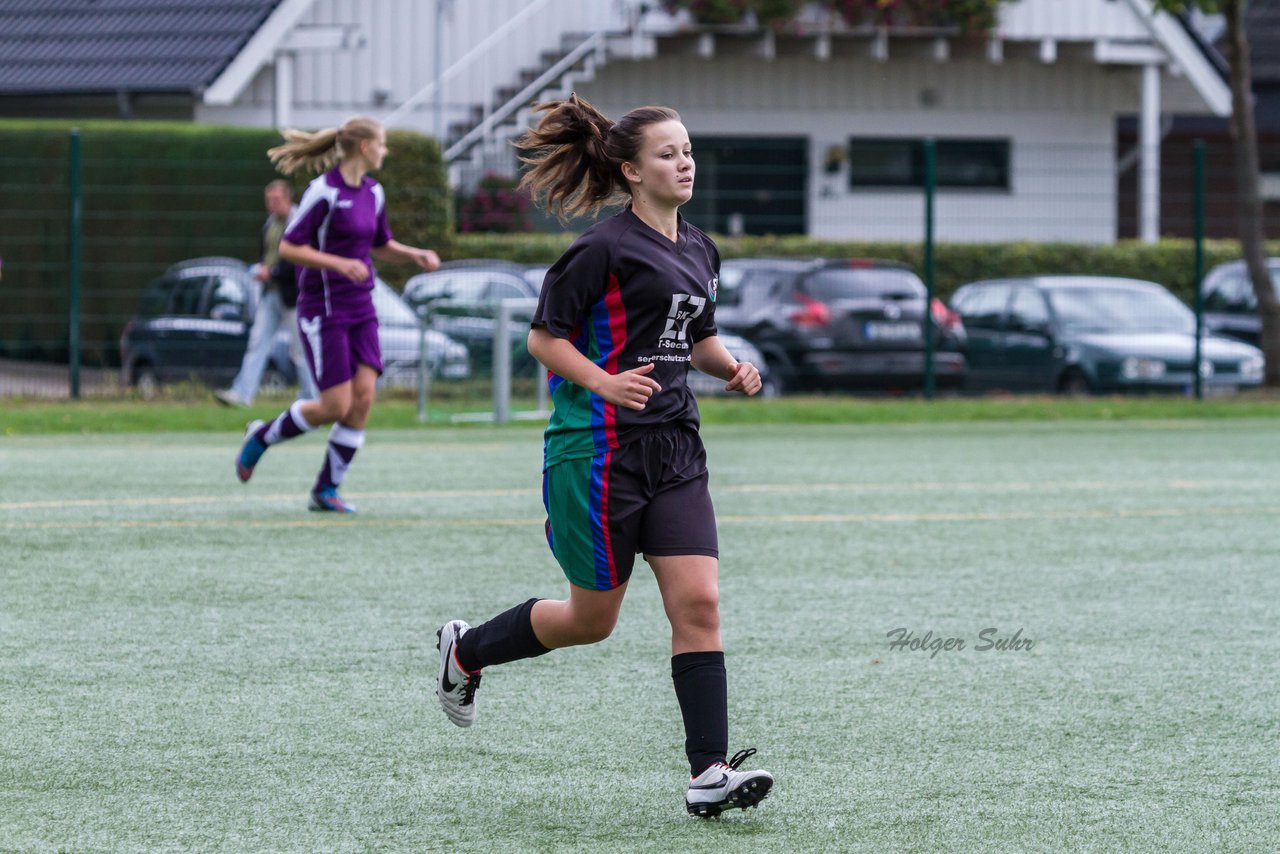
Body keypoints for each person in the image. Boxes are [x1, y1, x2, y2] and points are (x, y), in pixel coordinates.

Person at [434, 95, 773, 818]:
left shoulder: (699, 247)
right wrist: (602, 381)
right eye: (666, 153)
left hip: (676, 446)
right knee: (593, 620)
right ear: (629, 169)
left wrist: (733, 367)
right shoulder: (602, 249)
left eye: (687, 151)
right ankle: (466, 653)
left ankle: (707, 770)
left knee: (700, 603)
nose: (683, 163)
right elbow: (544, 338)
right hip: (596, 452)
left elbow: (697, 336)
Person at [234, 116, 439, 513]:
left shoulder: (373, 192)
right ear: (364, 146)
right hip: (324, 310)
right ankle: (260, 436)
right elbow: (291, 248)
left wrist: (412, 254)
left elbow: (380, 243)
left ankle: (326, 488)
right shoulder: (322, 192)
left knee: (362, 400)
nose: (385, 150)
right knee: (334, 406)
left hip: (361, 306)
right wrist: (338, 264)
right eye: (382, 143)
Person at [215, 180, 318, 407]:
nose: (271, 204)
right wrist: (264, 271)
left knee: (300, 349)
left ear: (288, 198)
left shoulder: (299, 221)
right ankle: (242, 394)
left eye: (276, 199)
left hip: (295, 295)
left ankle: (312, 397)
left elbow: (301, 260)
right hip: (271, 293)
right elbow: (267, 255)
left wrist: (272, 272)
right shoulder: (269, 224)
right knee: (257, 341)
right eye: (268, 200)